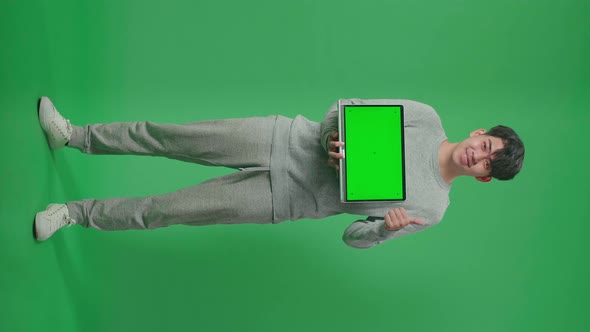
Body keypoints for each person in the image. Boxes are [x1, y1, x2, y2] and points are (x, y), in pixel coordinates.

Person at [34, 96, 525, 248]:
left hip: (283, 201)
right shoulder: (427, 116)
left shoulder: (433, 208)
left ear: (484, 177)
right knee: (168, 136)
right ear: (479, 132)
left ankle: (75, 214)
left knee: (167, 211)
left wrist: (381, 231)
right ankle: (74, 135)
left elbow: (352, 236)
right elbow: (347, 107)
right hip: (281, 138)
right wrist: (333, 138)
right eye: (484, 145)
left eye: (486, 163)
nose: (477, 155)